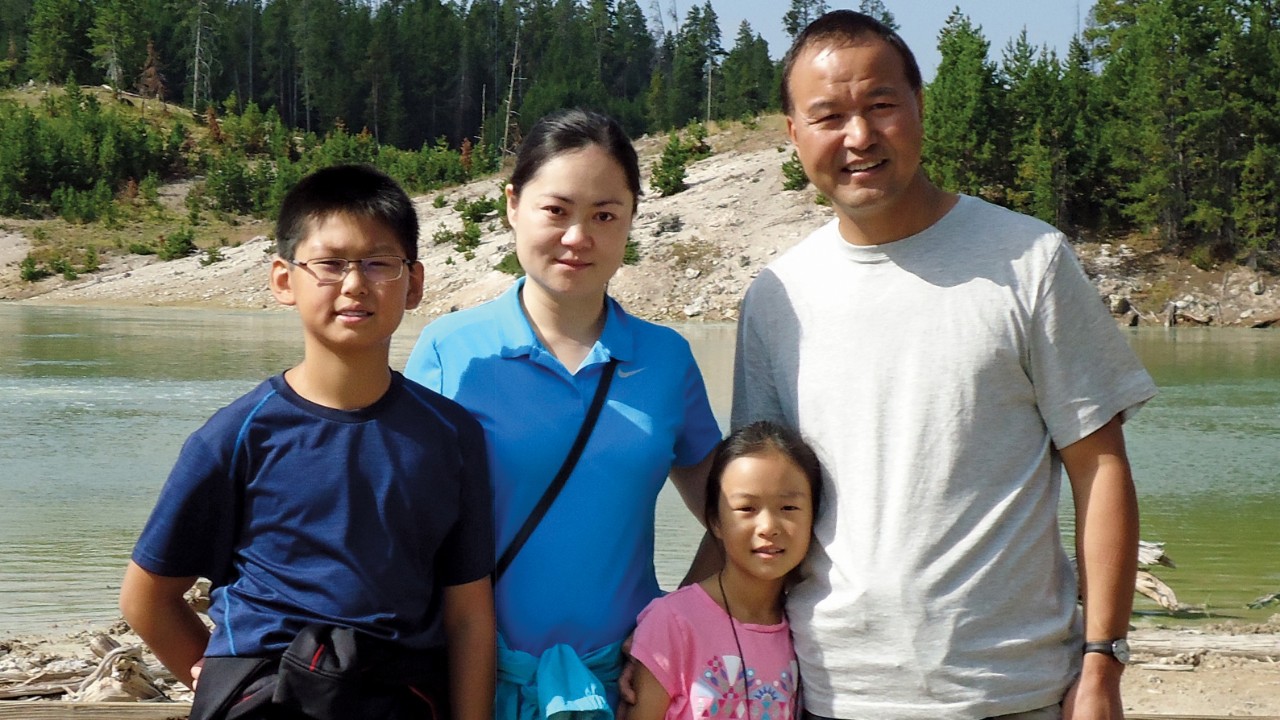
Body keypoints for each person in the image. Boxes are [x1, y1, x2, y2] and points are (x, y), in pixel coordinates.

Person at [732, 11, 1159, 720]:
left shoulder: (1029, 261)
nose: (859, 136)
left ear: (919, 106)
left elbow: (1101, 468)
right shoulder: (778, 297)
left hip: (1012, 692)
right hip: (828, 692)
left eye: (881, 105)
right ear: (794, 134)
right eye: (829, 116)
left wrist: (1103, 659)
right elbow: (753, 506)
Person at [120, 164, 496, 720]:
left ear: (413, 282)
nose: (354, 283)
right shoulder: (238, 436)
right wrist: (225, 680)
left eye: (378, 263)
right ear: (283, 280)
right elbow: (147, 598)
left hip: (400, 701)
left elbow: (468, 614)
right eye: (330, 263)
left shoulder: (449, 435)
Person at [403, 108, 722, 718]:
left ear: (631, 221)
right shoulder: (452, 349)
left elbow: (732, 515)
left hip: (622, 685)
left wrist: (673, 626)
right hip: (476, 681)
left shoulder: (665, 359)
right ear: (512, 206)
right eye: (556, 210)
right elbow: (402, 526)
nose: (579, 237)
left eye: (605, 215)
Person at [629, 420, 822, 720]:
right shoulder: (673, 623)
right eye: (746, 509)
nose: (768, 527)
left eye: (788, 508)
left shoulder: (805, 626)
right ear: (715, 521)